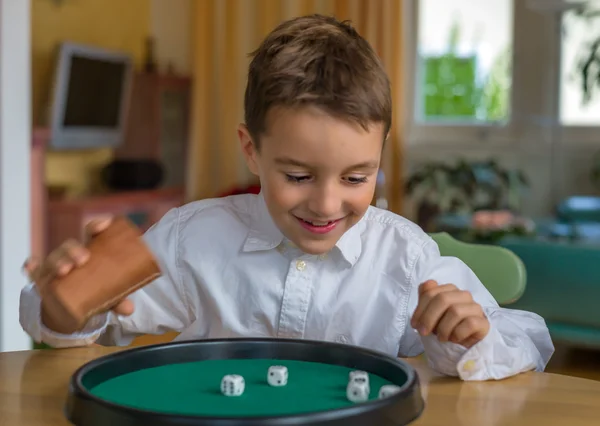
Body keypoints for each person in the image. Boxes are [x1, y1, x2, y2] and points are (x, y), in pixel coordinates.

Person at [19, 14, 553, 381]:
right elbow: (84, 331)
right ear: (251, 150)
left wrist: (469, 337)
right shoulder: (190, 239)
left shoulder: (406, 257)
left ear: (380, 156)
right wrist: (69, 306)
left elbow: (528, 338)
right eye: (298, 175)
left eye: (354, 178)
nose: (325, 205)